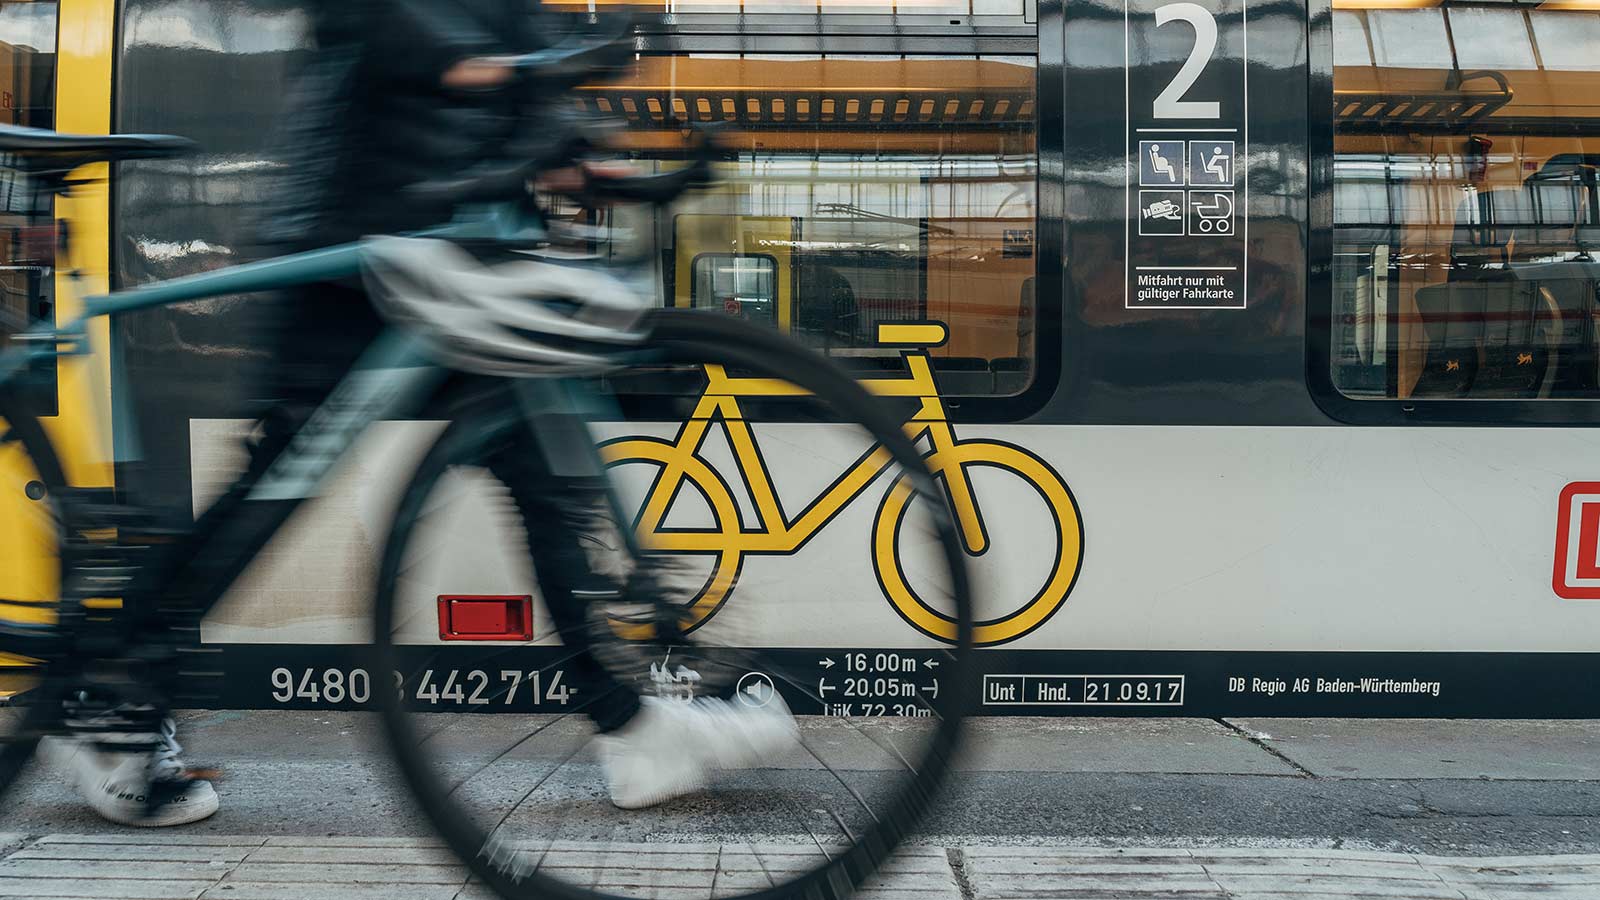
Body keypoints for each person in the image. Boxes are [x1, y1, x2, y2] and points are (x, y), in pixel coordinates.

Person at [50, 0, 794, 827]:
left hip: (457, 257)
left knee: (544, 477)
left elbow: (533, 104)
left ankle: (632, 728)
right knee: (282, 485)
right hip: (356, 248)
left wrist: (608, 166)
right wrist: (514, 73)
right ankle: (116, 692)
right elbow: (402, 32)